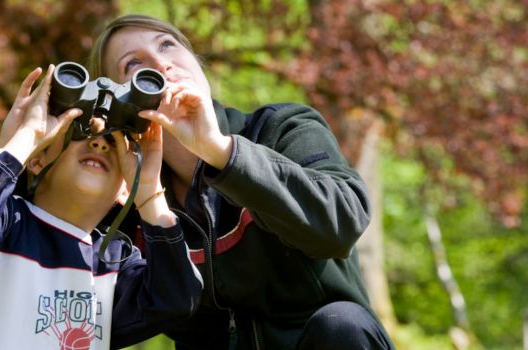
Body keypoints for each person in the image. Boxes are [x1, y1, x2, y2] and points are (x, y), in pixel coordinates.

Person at [88, 14, 395, 349]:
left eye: (167, 45)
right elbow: (88, 313)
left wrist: (223, 154)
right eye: (133, 64)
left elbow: (342, 222)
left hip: (323, 341)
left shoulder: (283, 129)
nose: (162, 64)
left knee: (342, 324)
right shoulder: (128, 194)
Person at [0, 65, 203, 349]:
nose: (99, 144)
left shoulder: (113, 263)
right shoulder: (2, 225)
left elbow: (178, 298)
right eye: (80, 133)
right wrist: (23, 138)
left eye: (114, 141)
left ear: (124, 189)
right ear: (36, 159)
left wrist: (148, 192)